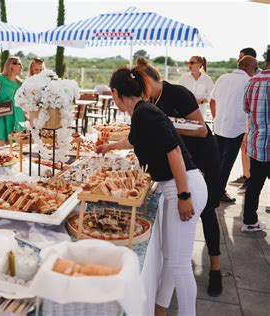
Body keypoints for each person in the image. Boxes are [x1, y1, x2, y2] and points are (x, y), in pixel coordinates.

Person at [96, 68, 207, 316]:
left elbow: (174, 152)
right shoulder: (142, 112)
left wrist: (184, 196)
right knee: (171, 258)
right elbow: (133, 141)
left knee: (179, 264)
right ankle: (160, 308)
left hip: (185, 186)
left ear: (115, 93)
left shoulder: (145, 113)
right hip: (179, 186)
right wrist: (109, 147)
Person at [135, 58, 223, 297]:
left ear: (148, 79)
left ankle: (215, 267)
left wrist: (166, 125)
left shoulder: (178, 92)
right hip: (181, 160)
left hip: (203, 157)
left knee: (207, 211)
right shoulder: (150, 101)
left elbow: (202, 129)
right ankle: (171, 275)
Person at [210, 56, 258, 203]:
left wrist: (216, 119)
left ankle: (212, 188)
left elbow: (212, 101)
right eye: (255, 68)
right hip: (236, 128)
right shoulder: (249, 82)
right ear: (247, 67)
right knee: (227, 163)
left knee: (217, 160)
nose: (256, 71)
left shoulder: (223, 78)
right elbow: (251, 108)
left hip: (219, 126)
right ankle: (218, 191)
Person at [241, 49, 269, 233]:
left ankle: (249, 221)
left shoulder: (253, 80)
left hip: (257, 142)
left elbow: (246, 107)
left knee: (254, 184)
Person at [230, 47, 257, 187]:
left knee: (248, 149)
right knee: (244, 149)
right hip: (241, 121)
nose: (238, 60)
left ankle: (249, 177)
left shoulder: (252, 79)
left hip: (248, 121)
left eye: (241, 57)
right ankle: (246, 175)